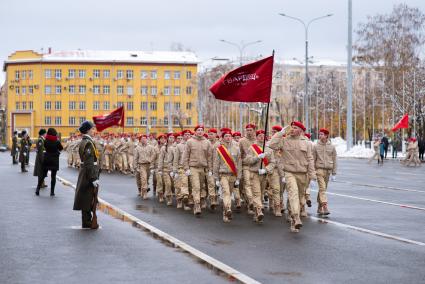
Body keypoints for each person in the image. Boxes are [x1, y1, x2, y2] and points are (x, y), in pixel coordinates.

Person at [269, 121, 316, 233]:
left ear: (300, 130)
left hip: (302, 173)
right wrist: (280, 133)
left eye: (295, 128)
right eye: (292, 127)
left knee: (299, 197)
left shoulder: (307, 143)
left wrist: (312, 176)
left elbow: (310, 159)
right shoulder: (284, 141)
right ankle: (296, 217)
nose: (292, 129)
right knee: (293, 194)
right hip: (289, 172)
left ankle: (292, 217)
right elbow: (271, 144)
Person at [73, 121, 101, 229]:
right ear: (88, 130)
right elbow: (89, 162)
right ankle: (87, 221)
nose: (94, 131)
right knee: (88, 197)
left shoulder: (86, 141)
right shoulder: (88, 143)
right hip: (88, 172)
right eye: (93, 129)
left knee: (87, 196)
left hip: (86, 171)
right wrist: (93, 178)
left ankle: (87, 220)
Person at [182, 125, 212, 216]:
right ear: (195, 131)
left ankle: (198, 201)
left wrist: (210, 169)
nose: (200, 131)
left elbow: (209, 157)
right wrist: (186, 168)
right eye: (198, 130)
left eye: (201, 130)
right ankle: (197, 205)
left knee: (201, 186)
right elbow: (185, 156)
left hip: (203, 168)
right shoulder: (190, 142)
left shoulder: (207, 142)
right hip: (193, 168)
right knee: (196, 187)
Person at [213, 130, 242, 223]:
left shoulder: (236, 149)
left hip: (233, 175)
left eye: (229, 136)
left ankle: (227, 210)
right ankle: (227, 210)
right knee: (226, 193)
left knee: (230, 194)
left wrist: (238, 178)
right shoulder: (219, 149)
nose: (228, 137)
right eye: (226, 136)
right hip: (223, 175)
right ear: (223, 138)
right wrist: (216, 178)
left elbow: (239, 164)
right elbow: (216, 164)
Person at [313, 128, 337, 215]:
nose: (320, 136)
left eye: (322, 134)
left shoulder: (332, 147)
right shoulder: (315, 146)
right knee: (322, 188)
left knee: (322, 189)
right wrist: (312, 174)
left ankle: (319, 207)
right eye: (319, 134)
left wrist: (334, 173)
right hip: (319, 170)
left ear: (326, 135)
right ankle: (325, 206)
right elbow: (312, 160)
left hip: (328, 171)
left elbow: (334, 160)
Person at [36, 128, 63, 196]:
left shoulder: (45, 141)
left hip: (47, 159)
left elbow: (44, 148)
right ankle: (52, 192)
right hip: (54, 160)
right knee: (53, 177)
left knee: (43, 175)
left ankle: (38, 189)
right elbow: (61, 148)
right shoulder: (57, 141)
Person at [134, 134, 156, 199]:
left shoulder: (150, 147)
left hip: (149, 165)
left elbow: (154, 154)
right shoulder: (137, 148)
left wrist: (151, 160)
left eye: (145, 138)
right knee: (144, 178)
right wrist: (135, 167)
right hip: (141, 165)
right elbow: (135, 158)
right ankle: (145, 192)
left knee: (147, 179)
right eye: (142, 139)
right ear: (140, 140)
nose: (144, 140)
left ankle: (143, 190)